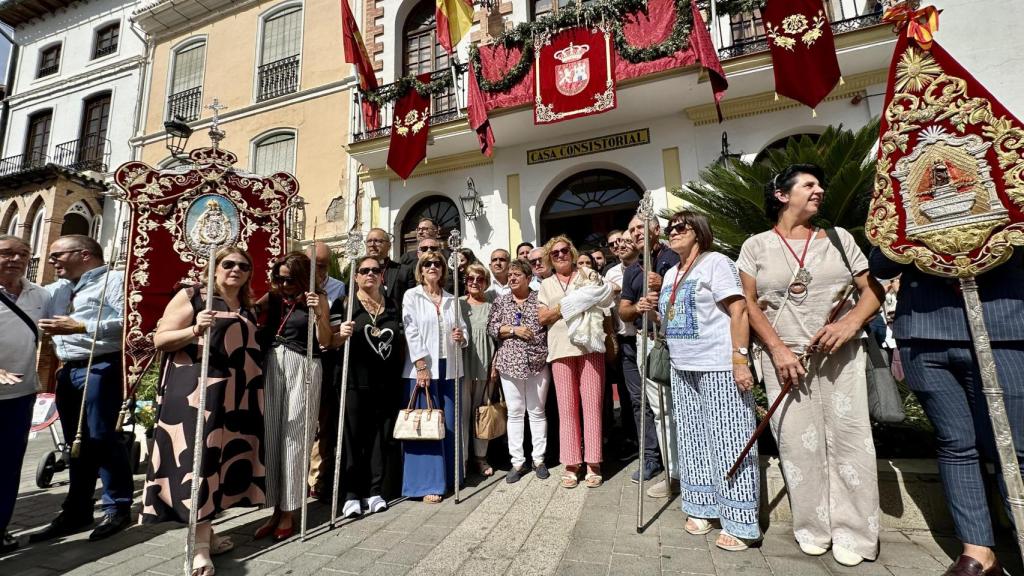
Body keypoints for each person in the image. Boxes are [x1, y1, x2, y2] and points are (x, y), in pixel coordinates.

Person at [738, 164, 883, 567]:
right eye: (809, 185)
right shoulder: (755, 246)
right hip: (783, 360)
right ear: (782, 195)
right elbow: (749, 303)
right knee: (797, 444)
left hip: (841, 355)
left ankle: (855, 533)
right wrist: (778, 350)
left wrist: (850, 322)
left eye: (821, 184)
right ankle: (813, 527)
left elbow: (872, 290)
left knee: (851, 440)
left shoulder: (839, 239)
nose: (819, 190)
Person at [870, 255, 1023, 572]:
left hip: (1001, 324)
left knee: (1014, 447)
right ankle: (978, 552)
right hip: (924, 330)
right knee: (955, 444)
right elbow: (881, 264)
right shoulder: (905, 201)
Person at [142, 247, 266, 575]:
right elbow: (161, 339)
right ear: (213, 268)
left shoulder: (248, 307)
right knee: (200, 465)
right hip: (196, 394)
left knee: (222, 466)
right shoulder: (193, 296)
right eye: (228, 264)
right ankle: (198, 549)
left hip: (236, 396)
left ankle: (207, 535)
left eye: (243, 265)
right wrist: (195, 329)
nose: (235, 270)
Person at [652, 211, 761, 551]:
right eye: (669, 229)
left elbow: (739, 309)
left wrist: (740, 359)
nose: (673, 232)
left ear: (698, 231)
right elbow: (673, 316)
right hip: (682, 366)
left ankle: (740, 521)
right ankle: (702, 507)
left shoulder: (717, 263)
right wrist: (651, 310)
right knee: (692, 438)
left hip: (718, 363)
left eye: (680, 227)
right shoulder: (670, 272)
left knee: (729, 437)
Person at [33, 235, 131, 543]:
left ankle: (117, 507)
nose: (51, 262)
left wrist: (81, 326)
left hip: (101, 366)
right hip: (68, 370)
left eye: (56, 255)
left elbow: (132, 320)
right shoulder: (56, 289)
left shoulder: (116, 280)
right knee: (76, 445)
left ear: (84, 254)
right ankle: (76, 510)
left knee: (102, 437)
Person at [254, 251, 339, 541]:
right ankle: (275, 508)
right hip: (273, 364)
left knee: (296, 436)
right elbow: (249, 310)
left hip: (304, 365)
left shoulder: (318, 299)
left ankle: (290, 509)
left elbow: (325, 341)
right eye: (278, 278)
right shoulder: (274, 297)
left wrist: (318, 313)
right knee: (273, 436)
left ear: (302, 277)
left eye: (289, 279)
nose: (283, 284)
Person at [538, 236, 607, 488]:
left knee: (592, 406)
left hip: (590, 347)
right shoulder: (546, 284)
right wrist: (568, 305)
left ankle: (593, 462)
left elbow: (602, 299)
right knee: (566, 409)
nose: (559, 255)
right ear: (549, 259)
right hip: (560, 350)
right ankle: (570, 462)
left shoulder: (587, 275)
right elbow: (542, 317)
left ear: (572, 251)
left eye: (564, 251)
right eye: (554, 253)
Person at [619, 216, 680, 495]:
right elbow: (624, 311)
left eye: (641, 227)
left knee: (681, 407)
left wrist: (665, 283)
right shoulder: (633, 270)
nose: (635, 233)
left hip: (678, 341)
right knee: (660, 409)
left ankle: (693, 472)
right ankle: (673, 475)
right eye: (631, 230)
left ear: (656, 229)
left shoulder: (675, 256)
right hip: (648, 341)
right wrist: (638, 306)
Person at [401, 250, 468, 502]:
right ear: (421, 269)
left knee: (448, 424)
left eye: (437, 263)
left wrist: (461, 338)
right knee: (426, 425)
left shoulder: (452, 299)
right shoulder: (412, 296)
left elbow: (463, 332)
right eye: (427, 263)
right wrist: (420, 364)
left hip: (450, 368)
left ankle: (451, 478)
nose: (432, 267)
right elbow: (411, 330)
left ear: (443, 269)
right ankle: (426, 484)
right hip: (424, 369)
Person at [338, 256, 401, 518]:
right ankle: (352, 493)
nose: (370, 274)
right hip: (354, 381)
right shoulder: (346, 305)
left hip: (385, 382)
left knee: (379, 437)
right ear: (355, 277)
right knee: (353, 438)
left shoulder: (392, 306)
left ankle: (375, 491)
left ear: (382, 275)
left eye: (375, 270)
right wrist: (339, 331)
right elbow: (327, 338)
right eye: (364, 271)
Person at [0, 235, 49, 553]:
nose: (16, 259)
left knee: (7, 466)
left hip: (20, 396)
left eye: (23, 254)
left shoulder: (40, 295)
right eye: (7, 253)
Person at [489, 259, 549, 484]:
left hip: (537, 362)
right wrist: (513, 329)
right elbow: (492, 327)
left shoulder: (539, 299)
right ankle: (517, 461)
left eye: (517, 275)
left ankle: (539, 459)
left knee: (537, 410)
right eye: (510, 275)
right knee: (515, 411)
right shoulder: (502, 301)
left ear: (528, 278)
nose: (512, 278)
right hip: (510, 363)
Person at [309, 241, 346, 500]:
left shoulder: (338, 288)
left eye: (323, 265)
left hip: (327, 360)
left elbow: (333, 331)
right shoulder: (291, 283)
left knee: (326, 422)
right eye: (314, 265)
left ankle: (318, 478)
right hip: (299, 359)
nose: (318, 270)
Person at [460, 263, 497, 477]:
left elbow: (497, 340)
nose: (474, 282)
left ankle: (480, 458)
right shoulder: (456, 304)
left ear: (486, 282)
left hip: (485, 367)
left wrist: (495, 365)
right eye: (470, 278)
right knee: (463, 415)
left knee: (481, 414)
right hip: (462, 367)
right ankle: (463, 460)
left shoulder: (492, 306)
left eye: (479, 279)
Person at [603, 230, 637, 452]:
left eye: (621, 241)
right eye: (613, 244)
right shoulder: (610, 273)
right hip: (624, 340)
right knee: (629, 397)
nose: (617, 246)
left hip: (646, 336)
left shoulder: (646, 266)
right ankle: (634, 441)